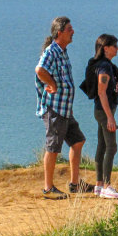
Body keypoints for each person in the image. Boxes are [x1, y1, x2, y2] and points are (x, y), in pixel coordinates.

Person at [34, 16, 86, 199]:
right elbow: (39, 70)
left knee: (78, 141)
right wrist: (53, 85)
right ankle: (48, 188)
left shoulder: (62, 51)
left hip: (65, 109)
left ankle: (74, 183)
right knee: (53, 148)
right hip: (55, 108)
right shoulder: (52, 52)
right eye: (70, 29)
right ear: (60, 32)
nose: (73, 32)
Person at [86, 34, 118, 198]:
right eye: (115, 46)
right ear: (106, 48)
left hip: (102, 111)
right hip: (104, 111)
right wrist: (110, 117)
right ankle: (107, 186)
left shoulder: (105, 65)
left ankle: (99, 185)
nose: (117, 49)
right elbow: (102, 92)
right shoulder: (104, 67)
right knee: (111, 147)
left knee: (102, 145)